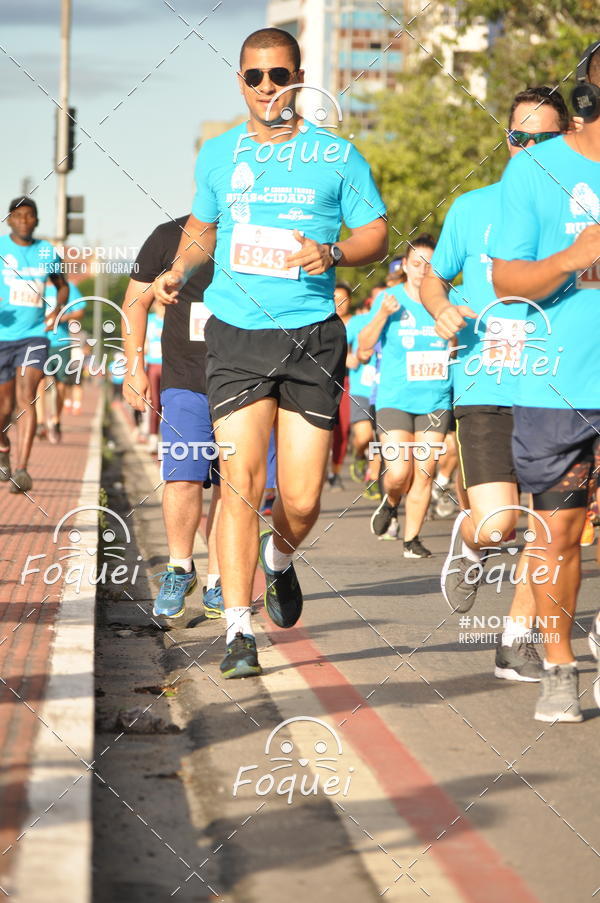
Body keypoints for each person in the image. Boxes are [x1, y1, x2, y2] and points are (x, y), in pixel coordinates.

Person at [153, 27, 387, 679]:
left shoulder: (336, 155)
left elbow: (376, 231)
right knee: (239, 484)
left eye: (278, 76)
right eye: (254, 77)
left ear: (299, 76)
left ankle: (278, 559)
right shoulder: (217, 154)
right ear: (240, 81)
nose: (266, 89)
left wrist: (336, 251)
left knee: (303, 498)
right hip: (236, 335)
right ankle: (238, 630)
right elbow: (203, 228)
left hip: (313, 334)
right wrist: (176, 269)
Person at [421, 85, 572, 683]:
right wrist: (439, 309)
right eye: (520, 137)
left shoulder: (578, 213)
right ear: (507, 139)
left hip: (554, 385)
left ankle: (515, 642)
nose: (530, 149)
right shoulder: (472, 207)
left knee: (552, 527)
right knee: (498, 525)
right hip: (485, 381)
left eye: (545, 139)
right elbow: (433, 279)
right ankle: (468, 542)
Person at [490, 44, 600, 721]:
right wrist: (575, 255)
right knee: (558, 534)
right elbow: (507, 280)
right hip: (560, 382)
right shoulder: (536, 169)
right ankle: (558, 663)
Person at [122, 216, 223, 621]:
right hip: (185, 378)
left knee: (233, 485)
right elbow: (136, 300)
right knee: (182, 477)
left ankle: (219, 579)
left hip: (248, 381)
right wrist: (135, 367)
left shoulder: (258, 233)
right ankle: (180, 568)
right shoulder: (167, 236)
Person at [359, 234, 452, 557]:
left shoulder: (447, 299)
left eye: (429, 265)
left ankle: (412, 540)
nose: (422, 270)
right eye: (416, 264)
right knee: (399, 471)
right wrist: (383, 315)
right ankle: (391, 500)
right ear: (405, 267)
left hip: (435, 398)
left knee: (425, 471)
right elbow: (364, 346)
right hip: (395, 398)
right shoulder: (390, 298)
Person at [0, 198, 67, 492]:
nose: (24, 221)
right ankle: (3, 448)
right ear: (10, 220)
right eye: (18, 216)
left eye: (30, 216)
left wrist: (56, 310)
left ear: (37, 221)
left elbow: (61, 284)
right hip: (2, 337)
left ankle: (23, 470)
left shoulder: (46, 252)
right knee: (3, 408)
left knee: (27, 396)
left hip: (35, 334)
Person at [43, 280, 87, 443]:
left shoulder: (67, 287)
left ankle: (55, 420)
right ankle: (41, 423)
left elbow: (80, 311)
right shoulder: (33, 282)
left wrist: (62, 317)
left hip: (61, 343)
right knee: (39, 383)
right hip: (37, 340)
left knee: (61, 384)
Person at [327, 282, 355, 490]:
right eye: (336, 298)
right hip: (323, 381)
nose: (340, 303)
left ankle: (334, 472)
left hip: (348, 381)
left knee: (342, 430)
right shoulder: (320, 322)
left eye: (344, 299)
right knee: (324, 429)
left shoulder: (357, 323)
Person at [145, 300, 164, 454]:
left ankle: (167, 439)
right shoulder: (150, 320)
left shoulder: (172, 317)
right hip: (153, 364)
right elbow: (143, 342)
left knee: (169, 402)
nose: (161, 307)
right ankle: (152, 437)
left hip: (169, 365)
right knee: (155, 402)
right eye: (158, 304)